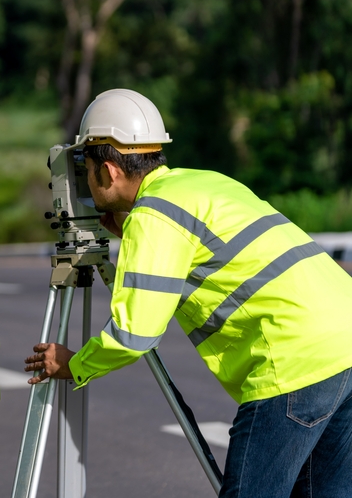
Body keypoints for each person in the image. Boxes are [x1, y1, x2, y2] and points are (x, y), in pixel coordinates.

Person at [24, 88, 352, 498]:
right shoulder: (200, 183)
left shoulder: (154, 218)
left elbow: (134, 335)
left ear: (108, 171)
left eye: (84, 167)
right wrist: (134, 229)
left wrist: (75, 364)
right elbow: (211, 248)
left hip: (293, 362)